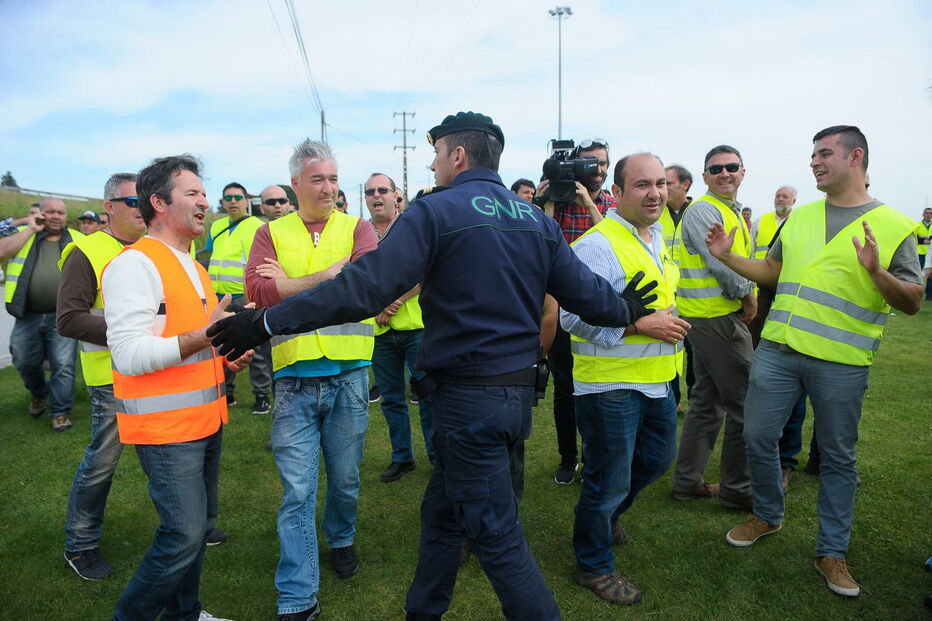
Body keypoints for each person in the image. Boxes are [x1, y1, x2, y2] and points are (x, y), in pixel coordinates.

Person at [209, 111, 659, 621]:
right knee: (443, 517)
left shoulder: (436, 211)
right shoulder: (536, 219)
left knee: (498, 539)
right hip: (513, 403)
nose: (432, 162)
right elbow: (590, 295)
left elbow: (364, 288)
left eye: (437, 153)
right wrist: (627, 309)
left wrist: (266, 323)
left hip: (467, 407)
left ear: (458, 156)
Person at [710, 126, 922, 598]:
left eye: (824, 153)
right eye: (813, 154)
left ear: (856, 157)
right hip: (779, 352)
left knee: (838, 459)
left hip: (841, 362)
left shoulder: (893, 225)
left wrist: (876, 270)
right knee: (757, 434)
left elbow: (911, 301)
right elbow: (773, 272)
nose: (814, 162)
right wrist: (728, 258)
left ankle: (832, 552)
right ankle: (767, 514)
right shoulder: (800, 216)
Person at [102, 154, 251, 620]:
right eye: (193, 193)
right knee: (183, 534)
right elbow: (129, 354)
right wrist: (205, 336)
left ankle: (186, 614)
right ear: (159, 203)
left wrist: (225, 359)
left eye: (204, 193)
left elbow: (188, 341)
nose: (205, 202)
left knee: (199, 528)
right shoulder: (135, 266)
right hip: (166, 429)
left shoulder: (192, 266)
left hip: (205, 419)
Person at [244, 139, 379, 621]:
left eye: (335, 179)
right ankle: (298, 598)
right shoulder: (270, 232)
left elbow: (366, 284)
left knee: (344, 480)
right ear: (296, 183)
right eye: (318, 179)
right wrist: (326, 277)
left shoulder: (358, 227)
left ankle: (341, 536)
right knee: (298, 491)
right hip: (295, 381)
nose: (328, 188)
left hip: (349, 376)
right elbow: (258, 293)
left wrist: (292, 283)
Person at [562, 153, 690, 604]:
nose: (655, 193)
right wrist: (637, 325)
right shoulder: (596, 245)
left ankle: (607, 516)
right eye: (642, 185)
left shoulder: (655, 236)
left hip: (657, 379)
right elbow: (570, 320)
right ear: (617, 192)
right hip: (609, 385)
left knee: (656, 459)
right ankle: (592, 564)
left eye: (661, 183)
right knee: (607, 479)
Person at [58, 173, 145, 580]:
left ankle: (186, 528)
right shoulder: (87, 252)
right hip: (110, 376)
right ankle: (80, 544)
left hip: (156, 369)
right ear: (108, 206)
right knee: (102, 462)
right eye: (132, 201)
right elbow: (69, 319)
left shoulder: (154, 248)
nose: (142, 207)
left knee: (166, 454)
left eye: (148, 199)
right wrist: (128, 333)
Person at [671, 145, 755, 511]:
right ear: (703, 177)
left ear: (742, 171)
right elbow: (720, 263)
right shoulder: (706, 209)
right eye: (716, 168)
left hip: (707, 318)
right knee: (746, 404)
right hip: (717, 319)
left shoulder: (726, 211)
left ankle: (687, 482)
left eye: (731, 167)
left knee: (706, 403)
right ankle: (738, 489)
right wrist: (747, 294)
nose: (725, 173)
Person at [538, 138, 617, 485]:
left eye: (599, 163)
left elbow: (613, 242)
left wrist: (587, 201)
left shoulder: (612, 204)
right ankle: (568, 457)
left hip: (595, 303)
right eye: (587, 163)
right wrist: (548, 202)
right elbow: (541, 244)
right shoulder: (553, 200)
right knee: (565, 388)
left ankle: (593, 457)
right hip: (557, 305)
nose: (594, 170)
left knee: (597, 387)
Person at [364, 172, 435, 482]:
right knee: (392, 398)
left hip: (414, 328)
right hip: (378, 332)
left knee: (428, 395)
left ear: (396, 196)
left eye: (383, 190)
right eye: (370, 192)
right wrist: (378, 305)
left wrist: (392, 303)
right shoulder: (360, 233)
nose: (376, 196)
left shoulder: (412, 227)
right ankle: (402, 457)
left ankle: (437, 458)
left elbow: (426, 273)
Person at [0, 197, 82, 431]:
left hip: (63, 316)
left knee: (63, 364)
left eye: (61, 212)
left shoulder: (77, 239)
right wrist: (30, 229)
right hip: (28, 315)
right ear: (40, 214)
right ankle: (40, 393)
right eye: (51, 212)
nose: (56, 216)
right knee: (24, 361)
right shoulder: (24, 234)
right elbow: (1, 252)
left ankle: (60, 411)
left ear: (66, 217)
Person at [747, 185, 807, 492]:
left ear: (795, 200)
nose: (780, 200)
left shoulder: (803, 223)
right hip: (764, 312)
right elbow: (756, 260)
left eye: (785, 197)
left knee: (796, 400)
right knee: (766, 391)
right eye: (777, 196)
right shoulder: (763, 222)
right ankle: (764, 461)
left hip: (798, 320)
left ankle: (786, 462)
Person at [208, 182, 271, 414]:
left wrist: (251, 297)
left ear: (246, 200)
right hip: (216, 296)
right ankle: (227, 392)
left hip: (243, 296)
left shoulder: (256, 226)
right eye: (228, 197)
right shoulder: (216, 226)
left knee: (253, 347)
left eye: (237, 197)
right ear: (223, 202)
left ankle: (262, 395)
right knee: (220, 345)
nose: (233, 201)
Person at [660, 164, 694, 412]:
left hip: (695, 300)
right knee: (669, 353)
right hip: (666, 301)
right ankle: (673, 400)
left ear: (686, 185)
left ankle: (696, 400)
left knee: (695, 358)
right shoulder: (654, 212)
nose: (662, 188)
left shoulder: (699, 213)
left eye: (667, 183)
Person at [915, 207, 931, 300]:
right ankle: (916, 293)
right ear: (923, 214)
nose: (929, 215)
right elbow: (916, 237)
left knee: (930, 275)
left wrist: (927, 237)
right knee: (916, 274)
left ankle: (929, 296)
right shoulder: (918, 225)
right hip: (919, 253)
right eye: (927, 213)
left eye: (930, 213)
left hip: (930, 253)